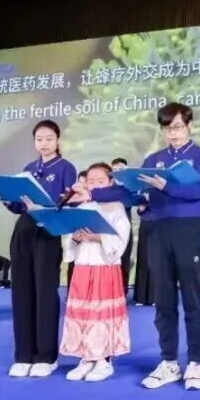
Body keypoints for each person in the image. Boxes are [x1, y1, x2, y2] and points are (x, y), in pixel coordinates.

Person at [131, 103, 200, 390]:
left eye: (178, 127)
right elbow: (146, 197)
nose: (173, 133)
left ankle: (195, 362)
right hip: (158, 230)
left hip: (189, 229)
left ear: (190, 126)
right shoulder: (154, 159)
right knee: (163, 299)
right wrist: (142, 205)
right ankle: (168, 361)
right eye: (167, 128)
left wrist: (165, 186)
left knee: (192, 298)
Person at [7, 120, 78, 378]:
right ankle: (23, 355)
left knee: (45, 292)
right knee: (21, 292)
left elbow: (69, 203)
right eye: (39, 139)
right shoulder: (28, 169)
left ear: (58, 140)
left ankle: (46, 356)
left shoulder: (66, 168)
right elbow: (18, 206)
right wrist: (8, 198)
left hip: (48, 231)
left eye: (49, 138)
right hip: (24, 230)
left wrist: (47, 208)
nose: (44, 143)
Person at [61, 163, 132, 382]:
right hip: (83, 266)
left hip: (104, 267)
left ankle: (103, 360)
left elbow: (122, 238)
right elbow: (68, 238)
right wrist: (75, 238)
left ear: (111, 183)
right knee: (83, 313)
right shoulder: (83, 206)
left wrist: (99, 237)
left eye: (100, 181)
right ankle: (86, 358)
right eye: (90, 181)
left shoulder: (116, 207)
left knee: (101, 314)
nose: (94, 185)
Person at [110, 158, 137, 294]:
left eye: (120, 169)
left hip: (125, 228)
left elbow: (132, 201)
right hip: (109, 228)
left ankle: (122, 291)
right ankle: (109, 290)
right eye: (114, 170)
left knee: (124, 258)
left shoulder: (132, 186)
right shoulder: (107, 185)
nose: (117, 172)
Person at [66, 169, 89, 288]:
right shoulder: (73, 198)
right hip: (75, 235)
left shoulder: (95, 198)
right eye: (80, 181)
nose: (82, 185)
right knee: (73, 262)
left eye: (85, 182)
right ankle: (71, 290)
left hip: (90, 235)